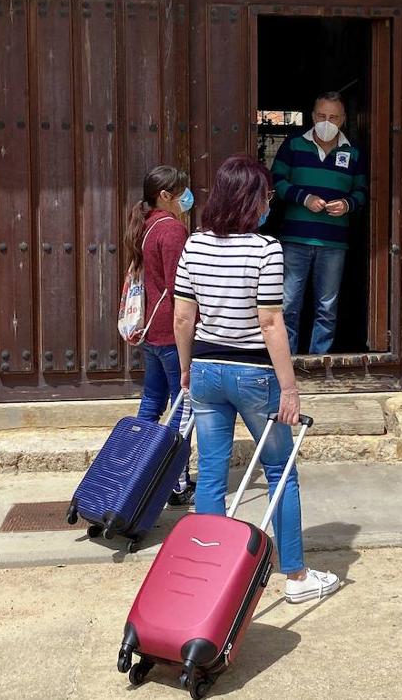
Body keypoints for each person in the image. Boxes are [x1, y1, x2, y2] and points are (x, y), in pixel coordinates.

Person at [173, 155, 342, 604]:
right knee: (280, 472)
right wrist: (289, 386)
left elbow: (183, 317)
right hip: (253, 375)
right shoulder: (265, 249)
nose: (269, 203)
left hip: (207, 369)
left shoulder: (194, 245)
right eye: (266, 195)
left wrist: (187, 367)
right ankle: (297, 575)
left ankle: (206, 574)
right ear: (253, 200)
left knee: (210, 474)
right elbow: (271, 323)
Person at [271, 92, 368, 355]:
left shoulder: (353, 153)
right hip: (295, 239)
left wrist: (347, 205)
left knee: (327, 308)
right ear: (313, 116)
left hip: (334, 242)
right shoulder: (293, 145)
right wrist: (304, 198)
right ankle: (286, 362)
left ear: (344, 119)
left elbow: (362, 191)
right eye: (322, 116)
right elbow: (276, 182)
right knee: (288, 304)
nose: (327, 121)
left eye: (334, 117)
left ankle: (318, 361)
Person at [124, 165, 196, 506]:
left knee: (151, 403)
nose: (187, 197)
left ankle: (137, 469)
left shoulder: (147, 225)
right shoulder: (173, 231)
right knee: (184, 406)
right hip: (171, 333)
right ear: (165, 196)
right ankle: (174, 482)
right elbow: (179, 287)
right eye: (181, 191)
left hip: (152, 334)